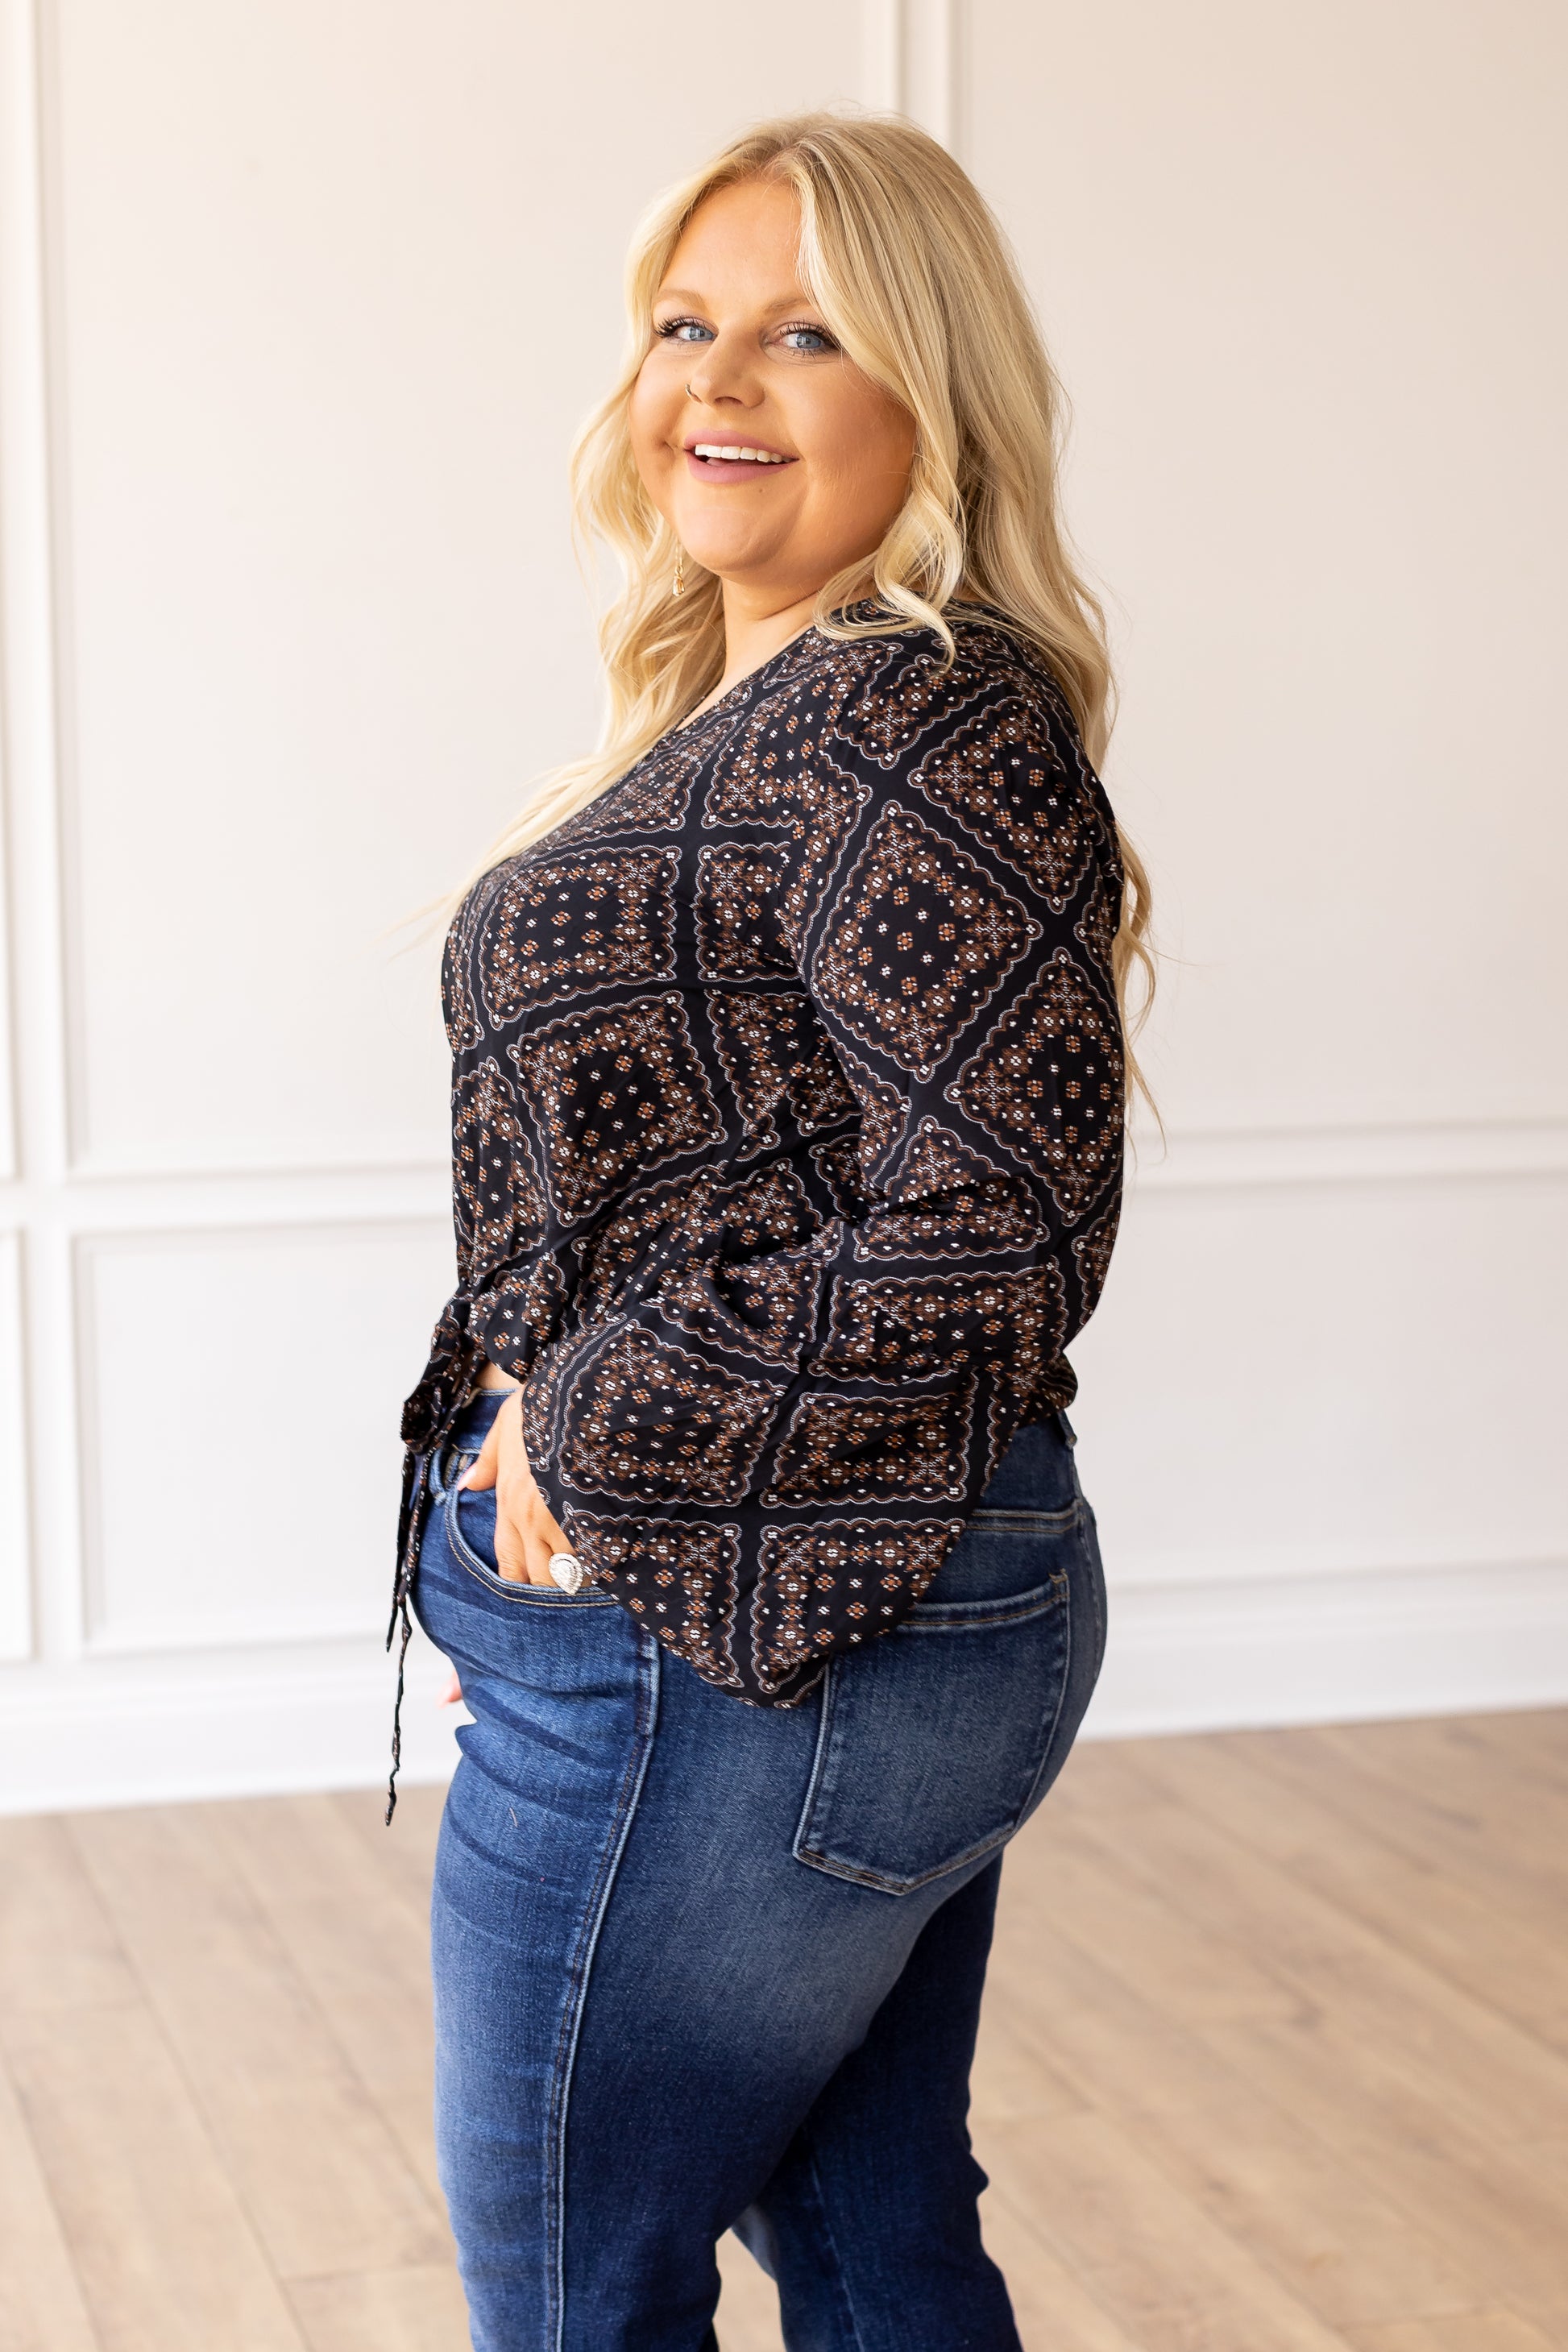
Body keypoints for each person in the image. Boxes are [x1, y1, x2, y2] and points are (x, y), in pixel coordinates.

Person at [390, 108, 1152, 2352]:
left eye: (804, 334)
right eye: (682, 326)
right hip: (782, 1608)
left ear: (932, 387)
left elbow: (998, 1223)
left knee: (574, 2300)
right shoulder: (764, 703)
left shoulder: (908, 715)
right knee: (873, 2238)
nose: (716, 384)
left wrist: (582, 1438)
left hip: (747, 1628)